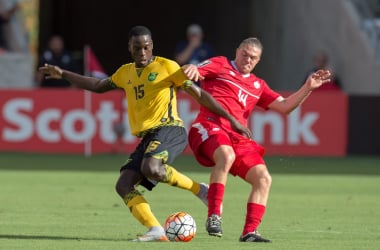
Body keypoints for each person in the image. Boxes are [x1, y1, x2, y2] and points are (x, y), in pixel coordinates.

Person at [39, 26, 250, 242]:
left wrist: (231, 119)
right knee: (123, 185)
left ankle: (199, 190)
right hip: (148, 136)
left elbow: (200, 95)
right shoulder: (125, 72)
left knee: (151, 167)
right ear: (129, 47)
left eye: (146, 47)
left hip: (170, 129)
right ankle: (156, 230)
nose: (142, 53)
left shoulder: (167, 67)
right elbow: (97, 85)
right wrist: (63, 73)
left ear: (152, 47)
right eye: (137, 48)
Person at [182, 37, 331, 242]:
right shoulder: (221, 64)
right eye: (245, 54)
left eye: (253, 57)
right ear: (237, 51)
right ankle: (214, 215)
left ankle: (250, 232)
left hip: (238, 137)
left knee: (263, 179)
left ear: (258, 60)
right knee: (226, 155)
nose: (248, 59)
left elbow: (286, 106)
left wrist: (308, 87)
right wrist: (191, 68)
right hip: (209, 126)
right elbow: (196, 69)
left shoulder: (258, 85)